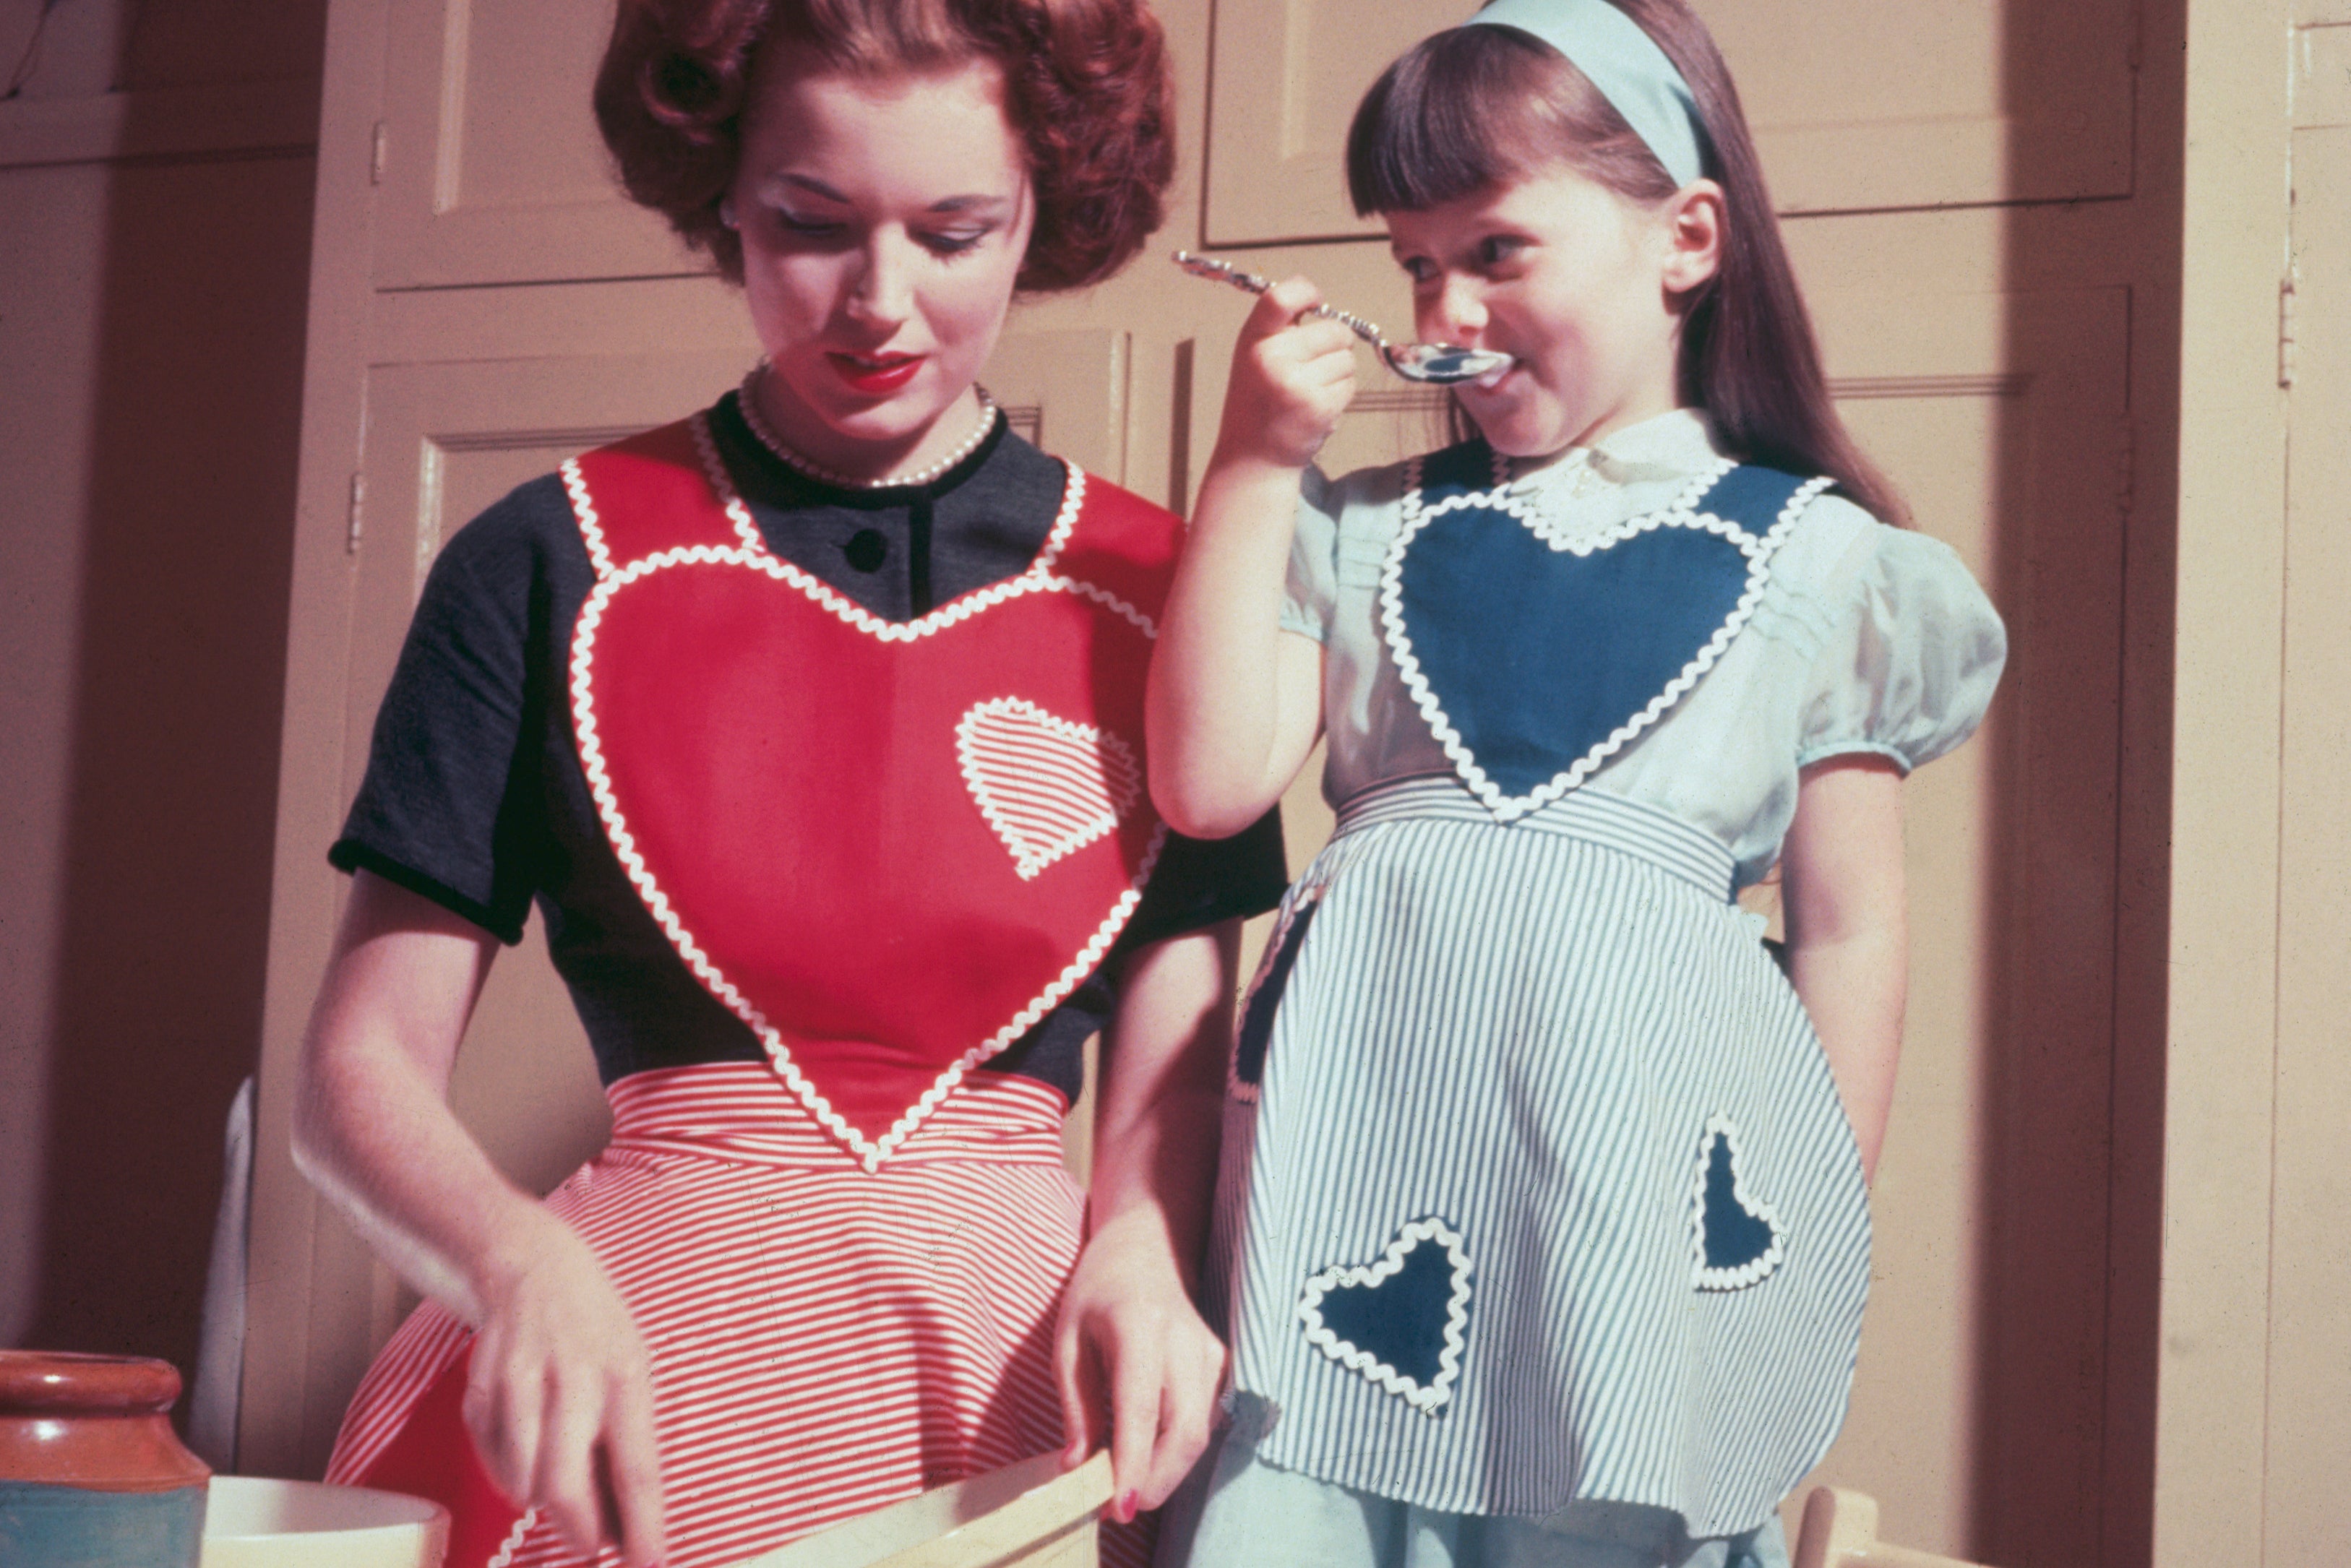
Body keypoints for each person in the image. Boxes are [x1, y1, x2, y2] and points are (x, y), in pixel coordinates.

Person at [291, 4, 1284, 1567]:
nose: (879, 304)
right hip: (625, 1389)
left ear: (1051, 205)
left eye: (957, 232)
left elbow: (1168, 1083)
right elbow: (352, 1075)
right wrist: (512, 1259)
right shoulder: (541, 560)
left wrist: (1150, 1254)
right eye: (810, 225)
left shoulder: (1170, 590)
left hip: (1011, 1405)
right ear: (721, 195)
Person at [1145, 1, 2007, 1564]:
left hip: (1629, 1209)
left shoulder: (1827, 563)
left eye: (1494, 249)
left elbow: (1849, 927)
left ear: (1684, 239)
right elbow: (1206, 786)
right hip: (1347, 1172)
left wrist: (1807, 1225)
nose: (1444, 305)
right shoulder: (1360, 528)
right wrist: (1256, 462)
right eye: (1412, 262)